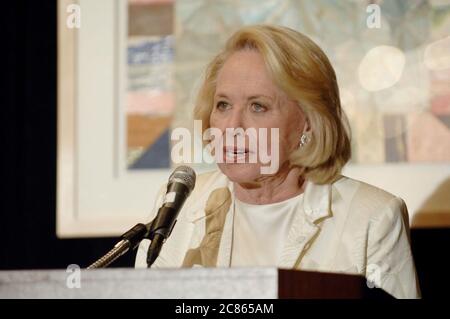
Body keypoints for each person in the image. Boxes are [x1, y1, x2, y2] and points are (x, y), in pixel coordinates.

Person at [135, 24, 420, 299]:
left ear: (308, 122)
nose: (232, 126)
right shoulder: (180, 205)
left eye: (258, 106)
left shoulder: (373, 218)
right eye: (223, 105)